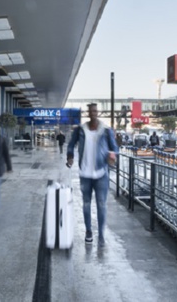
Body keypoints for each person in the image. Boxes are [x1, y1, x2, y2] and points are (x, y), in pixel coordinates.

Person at [67, 103, 118, 247]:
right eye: (91, 111)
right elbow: (71, 144)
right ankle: (89, 231)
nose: (93, 113)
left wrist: (113, 155)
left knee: (101, 204)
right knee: (86, 204)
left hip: (101, 173)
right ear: (88, 113)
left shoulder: (106, 130)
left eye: (95, 111)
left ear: (98, 113)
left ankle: (101, 234)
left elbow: (114, 148)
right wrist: (70, 156)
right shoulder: (80, 130)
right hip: (85, 173)